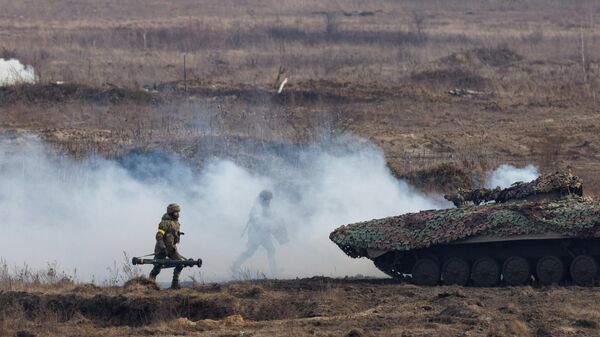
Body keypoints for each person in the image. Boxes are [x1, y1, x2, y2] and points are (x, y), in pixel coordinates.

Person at [231, 190, 287, 278]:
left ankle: (274, 271)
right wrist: (270, 223)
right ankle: (235, 266)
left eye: (270, 199)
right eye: (268, 199)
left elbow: (270, 217)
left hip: (263, 235)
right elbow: (257, 221)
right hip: (256, 235)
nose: (269, 201)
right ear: (263, 199)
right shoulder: (257, 208)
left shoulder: (265, 207)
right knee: (250, 252)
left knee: (271, 250)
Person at [149, 203, 186, 289]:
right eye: (176, 212)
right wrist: (162, 248)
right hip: (161, 249)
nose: (178, 214)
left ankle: (175, 284)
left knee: (180, 264)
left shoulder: (176, 223)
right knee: (157, 267)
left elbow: (172, 234)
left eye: (178, 212)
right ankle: (150, 284)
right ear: (171, 212)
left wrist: (177, 234)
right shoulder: (164, 223)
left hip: (172, 249)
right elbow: (159, 236)